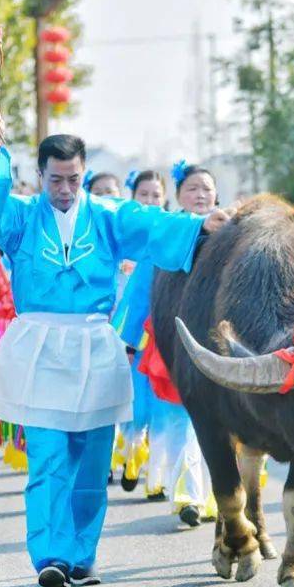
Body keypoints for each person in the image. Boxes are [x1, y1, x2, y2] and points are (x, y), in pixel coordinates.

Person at [0, 106, 228, 587]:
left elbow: (153, 225)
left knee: (91, 459)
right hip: (40, 346)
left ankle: (82, 554)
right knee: (47, 456)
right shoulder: (20, 218)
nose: (65, 190)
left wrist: (200, 225)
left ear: (83, 175)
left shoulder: (108, 216)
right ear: (40, 175)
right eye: (55, 179)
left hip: (93, 345)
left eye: (74, 179)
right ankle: (51, 556)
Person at [137, 161, 218, 526]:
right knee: (181, 418)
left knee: (223, 422)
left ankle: (219, 494)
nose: (200, 195)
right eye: (192, 189)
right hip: (178, 339)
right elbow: (142, 289)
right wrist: (128, 337)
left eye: (206, 188)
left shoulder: (232, 232)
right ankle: (187, 494)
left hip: (221, 341)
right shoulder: (166, 235)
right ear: (178, 196)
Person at [110, 170, 167, 494]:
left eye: (156, 195)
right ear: (132, 198)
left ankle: (155, 476)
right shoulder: (121, 239)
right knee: (134, 404)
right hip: (129, 331)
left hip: (160, 335)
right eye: (143, 195)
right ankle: (130, 457)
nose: (150, 201)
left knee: (157, 404)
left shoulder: (169, 236)